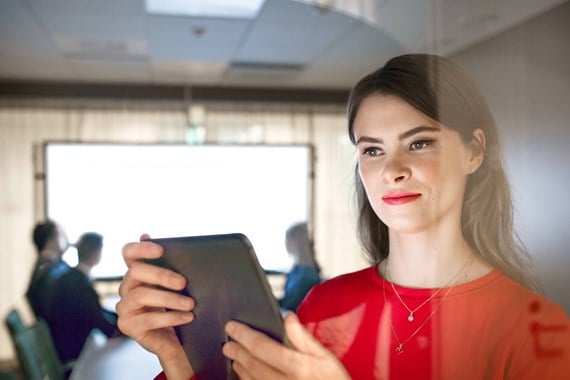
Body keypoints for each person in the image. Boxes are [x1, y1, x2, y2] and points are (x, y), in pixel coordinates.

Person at [115, 54, 570, 380]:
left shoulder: (538, 330)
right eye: (372, 150)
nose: (393, 171)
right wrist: (177, 361)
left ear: (474, 152)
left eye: (419, 143)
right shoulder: (322, 306)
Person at [44, 232, 121, 363]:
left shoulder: (73, 277)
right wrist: (120, 330)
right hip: (76, 351)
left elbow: (97, 311)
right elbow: (96, 317)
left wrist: (121, 321)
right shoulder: (79, 283)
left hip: (72, 344)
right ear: (96, 253)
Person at [26, 219, 71, 318]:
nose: (66, 239)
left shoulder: (47, 265)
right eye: (61, 234)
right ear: (51, 239)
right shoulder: (51, 270)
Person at [278, 222, 321, 312]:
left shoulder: (307, 275)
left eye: (288, 239)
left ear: (298, 242)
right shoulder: (296, 270)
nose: (285, 242)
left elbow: (291, 306)